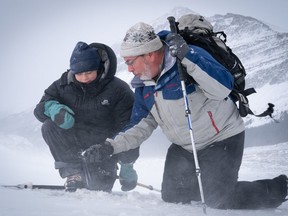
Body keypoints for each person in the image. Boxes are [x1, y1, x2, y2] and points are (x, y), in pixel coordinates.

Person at [83, 21, 288, 209]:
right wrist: (110, 146)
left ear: (149, 55)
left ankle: (278, 188)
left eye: (130, 62)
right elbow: (139, 126)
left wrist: (187, 55)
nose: (128, 69)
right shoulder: (143, 87)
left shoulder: (187, 60)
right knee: (172, 196)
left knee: (219, 200)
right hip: (184, 147)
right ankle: (210, 186)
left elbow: (222, 89)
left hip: (221, 139)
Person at [34, 41, 139, 192]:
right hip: (73, 147)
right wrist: (51, 108)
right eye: (79, 73)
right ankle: (73, 173)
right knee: (49, 125)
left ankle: (99, 174)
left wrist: (127, 163)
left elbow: (129, 127)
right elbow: (39, 110)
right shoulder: (62, 86)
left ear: (98, 68)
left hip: (104, 150)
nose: (84, 77)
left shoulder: (119, 90)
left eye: (89, 72)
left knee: (97, 189)